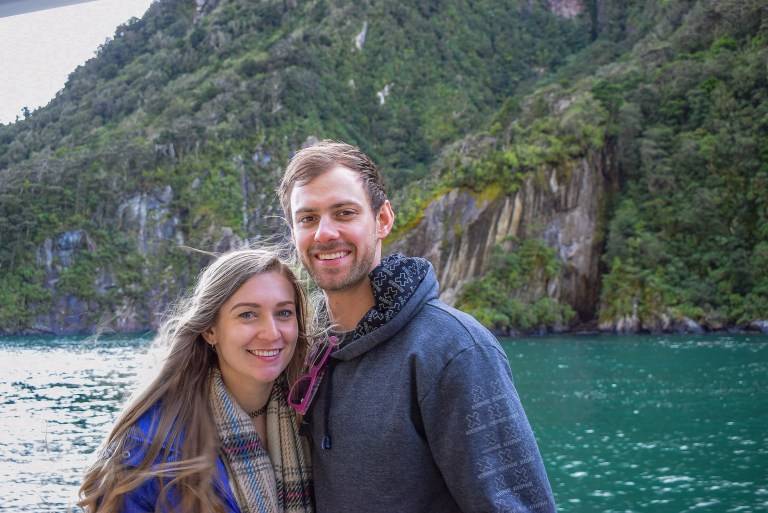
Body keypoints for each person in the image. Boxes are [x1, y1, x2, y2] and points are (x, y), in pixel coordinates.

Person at [278, 141, 557, 512]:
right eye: (307, 218)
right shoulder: (303, 349)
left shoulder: (455, 350)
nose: (324, 233)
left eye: (344, 213)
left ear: (383, 220)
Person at [78, 249, 314, 513]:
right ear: (210, 330)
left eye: (283, 313)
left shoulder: (312, 417)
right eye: (247, 314)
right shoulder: (150, 444)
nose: (271, 333)